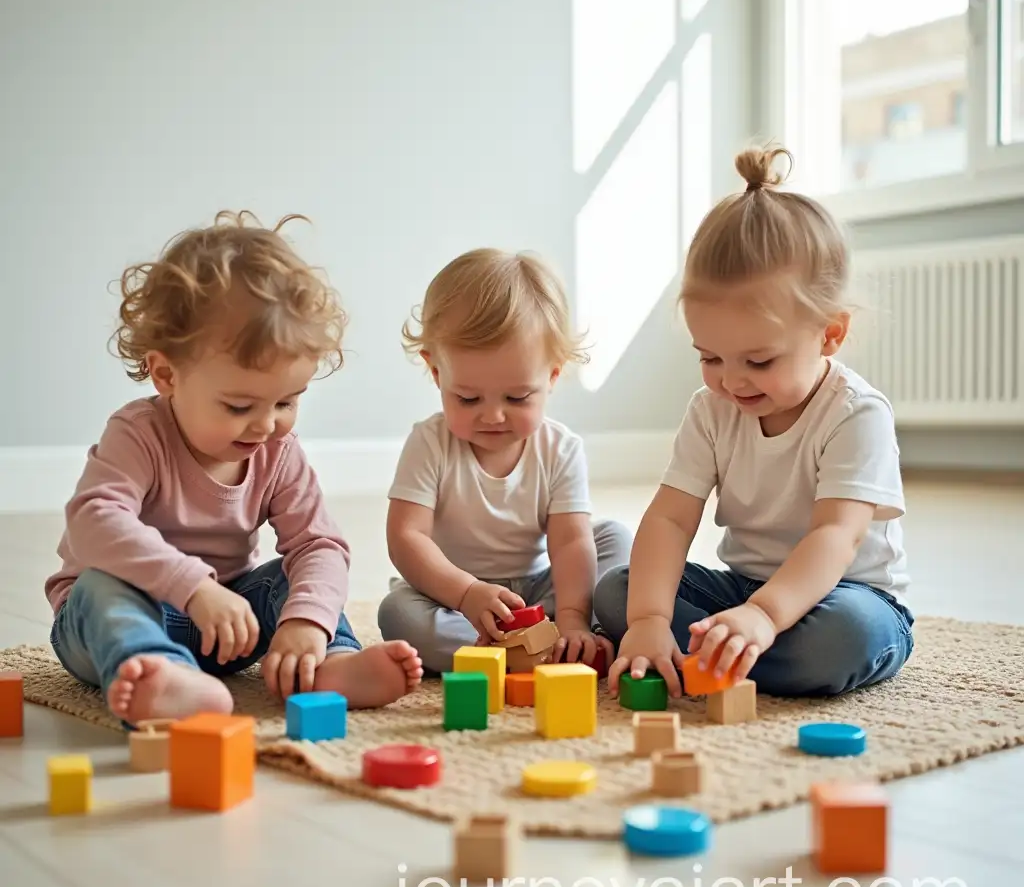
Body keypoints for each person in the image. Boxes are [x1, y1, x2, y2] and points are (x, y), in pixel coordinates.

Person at [45, 211, 422, 724]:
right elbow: (93, 522)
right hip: (119, 620)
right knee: (99, 584)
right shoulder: (138, 433)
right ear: (166, 374)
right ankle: (156, 673)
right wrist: (193, 588)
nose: (266, 425)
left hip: (229, 621)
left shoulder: (278, 452)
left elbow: (319, 544)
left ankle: (326, 663)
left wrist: (305, 623)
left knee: (292, 582)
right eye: (240, 407)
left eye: (288, 402)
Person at [595, 146, 913, 699]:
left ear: (830, 334)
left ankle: (721, 654)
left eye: (759, 361)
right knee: (618, 591)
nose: (732, 381)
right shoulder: (710, 410)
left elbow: (835, 535)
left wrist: (765, 616)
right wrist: (647, 619)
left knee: (843, 638)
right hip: (741, 589)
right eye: (710, 357)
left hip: (845, 595)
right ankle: (715, 649)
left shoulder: (856, 413)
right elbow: (670, 520)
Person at [378, 247, 633, 673]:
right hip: (457, 597)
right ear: (437, 372)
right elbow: (407, 538)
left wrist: (571, 617)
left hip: (541, 590)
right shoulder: (429, 443)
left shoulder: (560, 448)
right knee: (398, 614)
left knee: (612, 539)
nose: (493, 415)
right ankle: (525, 652)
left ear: (551, 375)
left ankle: (568, 638)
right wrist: (466, 592)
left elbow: (569, 541)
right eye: (468, 398)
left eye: (517, 397)